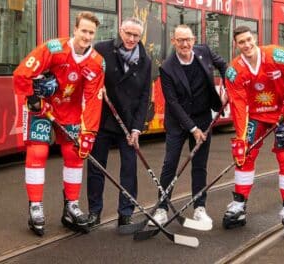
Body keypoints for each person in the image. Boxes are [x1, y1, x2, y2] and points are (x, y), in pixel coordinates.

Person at [13, 12, 105, 236]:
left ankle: (71, 207)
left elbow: (94, 100)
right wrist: (33, 99)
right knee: (38, 151)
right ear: (75, 29)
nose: (86, 36)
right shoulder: (53, 48)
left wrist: (89, 133)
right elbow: (22, 73)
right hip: (42, 108)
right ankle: (35, 206)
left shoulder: (96, 63)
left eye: (91, 32)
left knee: (75, 153)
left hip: (69, 111)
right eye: (83, 30)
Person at [222, 26, 284, 231]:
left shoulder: (276, 55)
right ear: (236, 45)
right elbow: (238, 105)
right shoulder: (234, 71)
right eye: (241, 42)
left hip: (283, 111)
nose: (247, 45)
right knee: (244, 156)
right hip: (256, 115)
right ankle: (239, 204)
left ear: (254, 39)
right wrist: (241, 138)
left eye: (249, 40)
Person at [149, 24, 227, 227]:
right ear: (174, 41)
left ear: (194, 40)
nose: (185, 44)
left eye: (188, 39)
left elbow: (226, 67)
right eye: (180, 40)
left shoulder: (204, 52)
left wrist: (229, 87)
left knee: (199, 165)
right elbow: (172, 103)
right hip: (178, 122)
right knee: (170, 164)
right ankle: (161, 208)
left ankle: (199, 208)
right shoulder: (167, 67)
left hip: (203, 117)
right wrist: (193, 129)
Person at [86, 17, 151, 228]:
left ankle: (126, 212)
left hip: (128, 123)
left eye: (136, 36)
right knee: (97, 167)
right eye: (128, 34)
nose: (131, 39)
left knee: (129, 169)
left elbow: (144, 96)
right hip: (103, 120)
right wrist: (97, 88)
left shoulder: (145, 60)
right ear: (120, 31)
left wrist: (137, 128)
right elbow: (88, 76)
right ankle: (94, 212)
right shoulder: (102, 49)